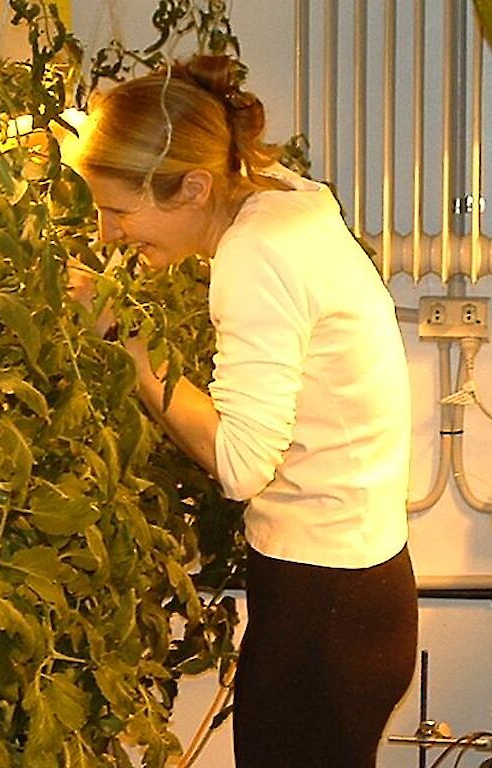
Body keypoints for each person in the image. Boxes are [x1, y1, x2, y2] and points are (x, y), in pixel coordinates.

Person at [65, 55, 418, 767]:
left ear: (194, 185)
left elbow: (241, 464)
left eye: (119, 211)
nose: (106, 235)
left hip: (325, 607)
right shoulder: (283, 195)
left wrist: (126, 345)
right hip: (358, 589)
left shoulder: (257, 254)